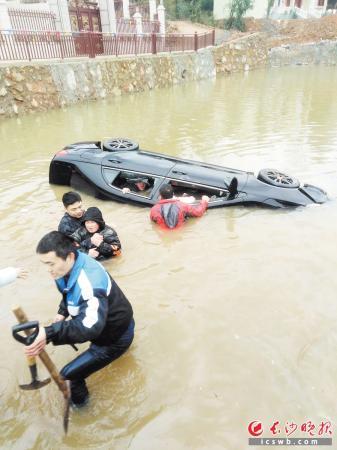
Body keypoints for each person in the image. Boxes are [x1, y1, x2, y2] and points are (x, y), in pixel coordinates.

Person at [25, 231, 134, 408]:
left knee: (67, 377)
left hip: (114, 338)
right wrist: (62, 312)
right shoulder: (69, 266)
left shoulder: (90, 283)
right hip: (114, 322)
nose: (48, 270)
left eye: (50, 264)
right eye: (45, 264)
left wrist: (48, 333)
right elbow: (70, 293)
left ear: (68, 256)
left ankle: (84, 414)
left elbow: (89, 327)